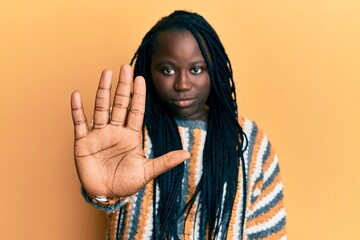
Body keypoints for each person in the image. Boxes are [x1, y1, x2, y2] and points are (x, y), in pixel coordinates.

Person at [70, 10, 286, 240]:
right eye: (168, 70)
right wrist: (103, 195)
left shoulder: (248, 141)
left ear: (215, 71)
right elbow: (108, 198)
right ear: (148, 69)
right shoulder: (126, 133)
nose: (182, 84)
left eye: (196, 69)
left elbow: (269, 232)